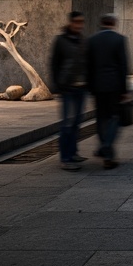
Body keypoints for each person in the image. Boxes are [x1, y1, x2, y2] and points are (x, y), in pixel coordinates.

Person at [86, 13, 129, 169]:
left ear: (102, 23)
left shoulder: (92, 40)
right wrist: (124, 89)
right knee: (114, 118)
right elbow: (123, 66)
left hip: (97, 86)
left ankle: (106, 150)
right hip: (114, 86)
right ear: (114, 23)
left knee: (100, 118)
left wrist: (90, 85)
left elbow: (88, 65)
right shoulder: (119, 39)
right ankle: (106, 146)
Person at [50, 10, 86, 170]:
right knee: (67, 123)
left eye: (81, 22)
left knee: (77, 122)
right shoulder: (60, 40)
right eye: (77, 22)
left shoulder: (82, 40)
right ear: (70, 23)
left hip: (81, 88)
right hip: (67, 88)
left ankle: (73, 152)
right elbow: (54, 64)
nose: (79, 25)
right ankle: (65, 158)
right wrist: (57, 86)